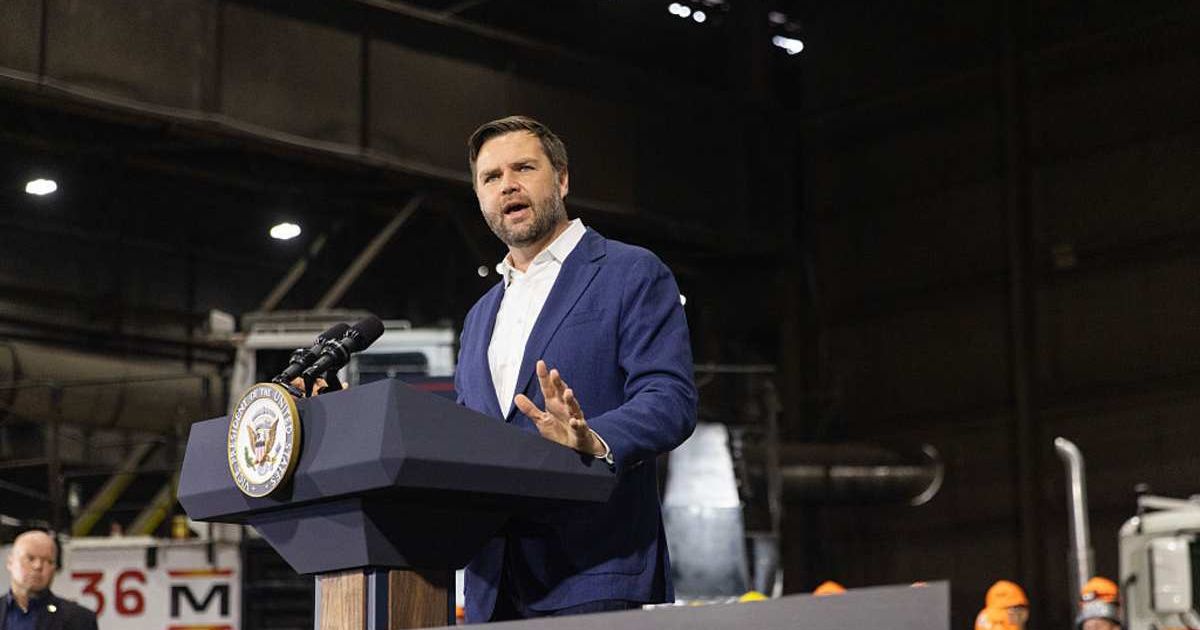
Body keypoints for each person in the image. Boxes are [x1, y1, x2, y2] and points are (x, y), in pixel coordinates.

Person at [454, 115, 697, 622]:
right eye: (491, 177)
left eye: (524, 167)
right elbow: (467, 434)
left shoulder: (630, 272)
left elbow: (670, 399)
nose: (508, 186)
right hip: (491, 588)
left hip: (592, 572)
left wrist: (594, 438)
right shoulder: (479, 317)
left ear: (562, 179)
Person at [1, 530, 98, 630]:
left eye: (48, 561)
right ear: (10, 562)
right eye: (30, 558)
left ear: (55, 568)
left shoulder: (79, 620)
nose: (38, 566)